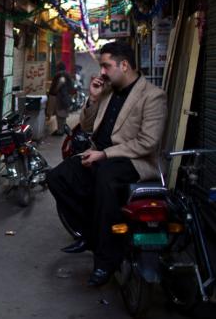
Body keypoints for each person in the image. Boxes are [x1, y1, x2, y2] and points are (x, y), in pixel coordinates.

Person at [47, 41, 167, 287]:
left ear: (124, 65)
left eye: (106, 66)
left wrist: (105, 155)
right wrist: (92, 99)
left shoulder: (153, 96)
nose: (101, 72)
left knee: (104, 179)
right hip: (97, 154)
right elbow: (88, 127)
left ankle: (105, 261)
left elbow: (147, 142)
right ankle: (90, 235)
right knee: (57, 177)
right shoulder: (108, 92)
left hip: (132, 161)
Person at [46, 62, 73, 136]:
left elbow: (61, 82)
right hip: (66, 97)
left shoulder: (60, 74)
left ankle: (60, 130)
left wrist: (55, 90)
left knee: (60, 115)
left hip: (61, 97)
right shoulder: (67, 74)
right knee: (63, 115)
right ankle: (61, 129)